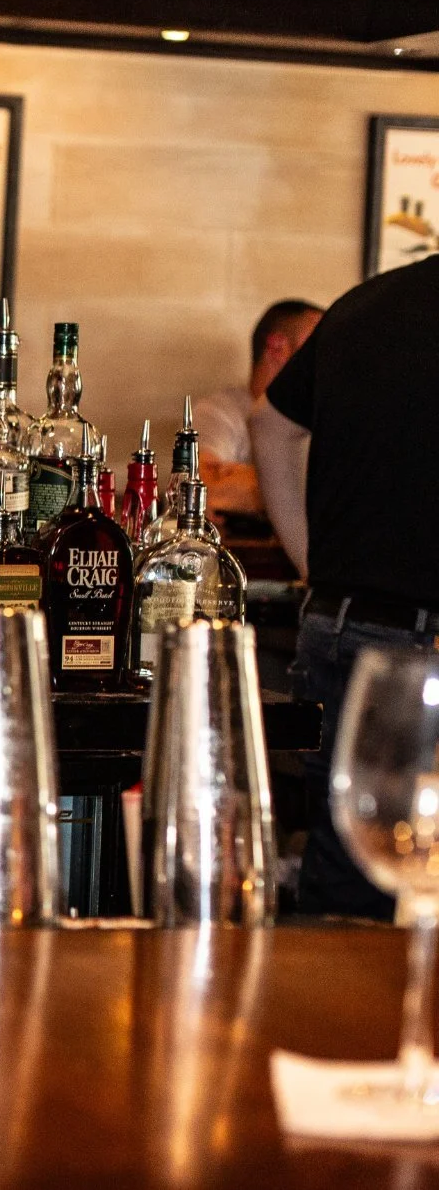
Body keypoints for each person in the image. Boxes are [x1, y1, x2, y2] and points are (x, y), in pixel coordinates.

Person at [260, 261, 439, 918]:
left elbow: (271, 425)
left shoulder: (362, 306)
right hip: (410, 638)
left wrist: (316, 565)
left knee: (343, 885)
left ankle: (324, 1023)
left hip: (345, 627)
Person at [195, 299, 322, 518]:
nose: (325, 360)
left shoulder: (323, 417)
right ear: (276, 347)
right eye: (315, 347)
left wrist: (242, 478)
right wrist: (313, 484)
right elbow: (206, 491)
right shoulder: (219, 412)